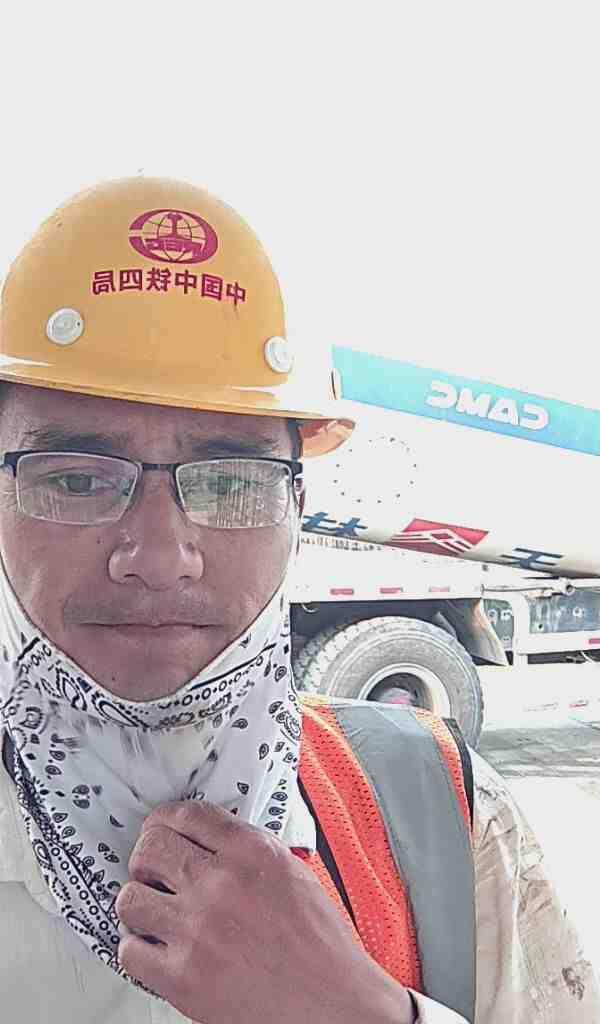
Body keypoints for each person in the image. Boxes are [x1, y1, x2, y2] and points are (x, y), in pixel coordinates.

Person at [0, 177, 595, 1024]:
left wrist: (360, 1011)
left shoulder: (440, 811)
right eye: (75, 479)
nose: (160, 558)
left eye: (231, 481)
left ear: (297, 511)